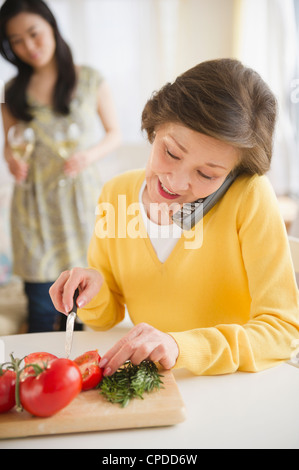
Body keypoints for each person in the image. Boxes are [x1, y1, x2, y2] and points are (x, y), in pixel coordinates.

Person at [50, 58, 299, 376]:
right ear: (154, 127)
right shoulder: (116, 194)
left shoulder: (249, 197)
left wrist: (181, 346)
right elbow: (105, 318)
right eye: (171, 153)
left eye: (207, 174)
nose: (176, 183)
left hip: (229, 386)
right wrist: (94, 290)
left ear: (234, 173)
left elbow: (283, 330)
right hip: (153, 384)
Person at [0, 0, 121, 333]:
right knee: (40, 303)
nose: (28, 46)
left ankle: (80, 377)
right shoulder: (12, 91)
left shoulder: (90, 79)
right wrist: (12, 161)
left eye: (34, 34)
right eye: (16, 41)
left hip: (79, 199)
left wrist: (88, 156)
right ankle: (37, 377)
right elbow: (11, 144)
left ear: (52, 27)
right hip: (34, 204)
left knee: (83, 301)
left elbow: (115, 134)